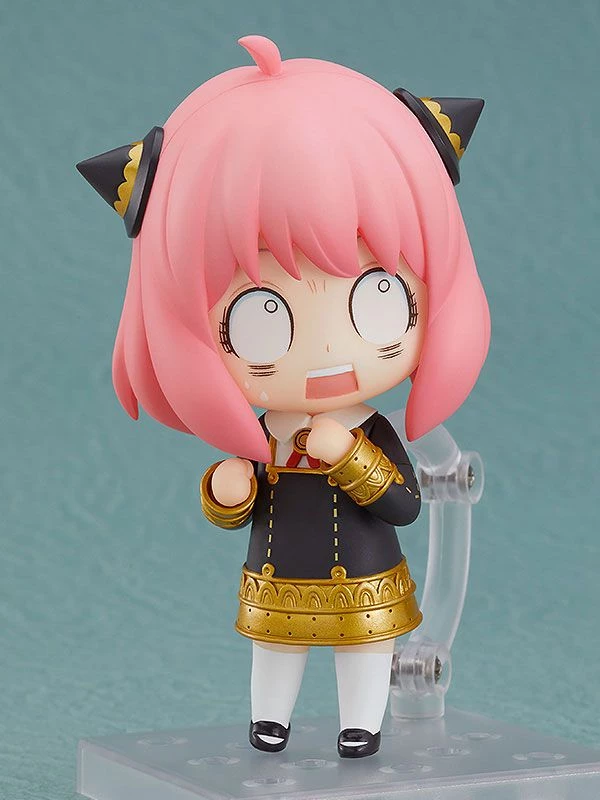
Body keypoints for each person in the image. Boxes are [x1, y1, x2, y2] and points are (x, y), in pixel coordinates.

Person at [77, 34, 489, 758]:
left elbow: (404, 504)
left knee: (364, 652)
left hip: (365, 583)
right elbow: (232, 511)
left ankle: (361, 724)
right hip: (276, 581)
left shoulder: (368, 427)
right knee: (275, 653)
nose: (330, 352)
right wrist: (228, 490)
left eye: (378, 297)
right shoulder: (261, 434)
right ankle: (270, 719)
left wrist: (351, 457)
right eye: (259, 317)